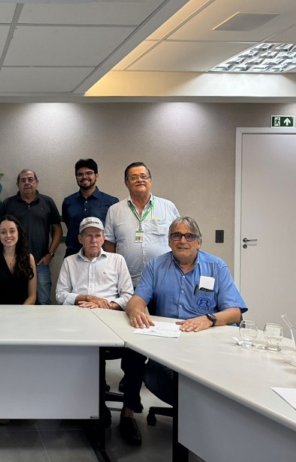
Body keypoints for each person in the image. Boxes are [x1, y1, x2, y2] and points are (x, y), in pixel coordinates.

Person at [126, 216, 247, 406]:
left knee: (225, 378)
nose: (183, 241)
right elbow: (137, 299)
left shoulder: (216, 267)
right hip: (169, 342)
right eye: (176, 235)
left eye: (189, 236)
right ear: (169, 241)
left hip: (208, 341)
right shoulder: (155, 266)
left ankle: (203, 412)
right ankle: (194, 413)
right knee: (154, 376)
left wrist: (209, 319)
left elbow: (235, 312)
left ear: (199, 242)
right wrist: (136, 311)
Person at [55, 217, 142, 444]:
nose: (93, 240)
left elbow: (128, 295)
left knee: (136, 353)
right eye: (88, 235)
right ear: (80, 238)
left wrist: (108, 305)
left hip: (113, 321)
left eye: (97, 235)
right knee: (86, 353)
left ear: (104, 238)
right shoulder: (70, 262)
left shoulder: (117, 260)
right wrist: (85, 297)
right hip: (81, 323)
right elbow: (60, 295)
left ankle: (128, 413)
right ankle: (96, 407)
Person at [105, 162, 180, 287]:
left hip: (164, 279)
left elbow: (179, 239)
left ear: (150, 180)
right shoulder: (114, 210)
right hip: (128, 282)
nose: (139, 180)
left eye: (143, 176)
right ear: (126, 183)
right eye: (133, 177)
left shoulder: (168, 207)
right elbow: (109, 246)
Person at [0, 169, 62, 305]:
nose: (27, 183)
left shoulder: (47, 202)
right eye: (23, 180)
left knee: (43, 302)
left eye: (30, 179)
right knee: (14, 300)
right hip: (15, 262)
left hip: (40, 262)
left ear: (37, 182)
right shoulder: (8, 203)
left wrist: (50, 254)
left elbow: (57, 229)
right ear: (18, 184)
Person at [62, 159, 118, 257]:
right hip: (73, 256)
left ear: (96, 176)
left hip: (101, 258)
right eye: (80, 174)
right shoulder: (68, 202)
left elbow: (114, 232)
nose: (84, 177)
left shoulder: (111, 202)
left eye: (89, 173)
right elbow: (68, 224)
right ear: (76, 178)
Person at [0, 215, 37, 305]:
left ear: (18, 232)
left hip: (23, 311)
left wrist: (21, 312)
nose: (8, 235)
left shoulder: (29, 258)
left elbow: (32, 296)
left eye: (12, 231)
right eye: (3, 232)